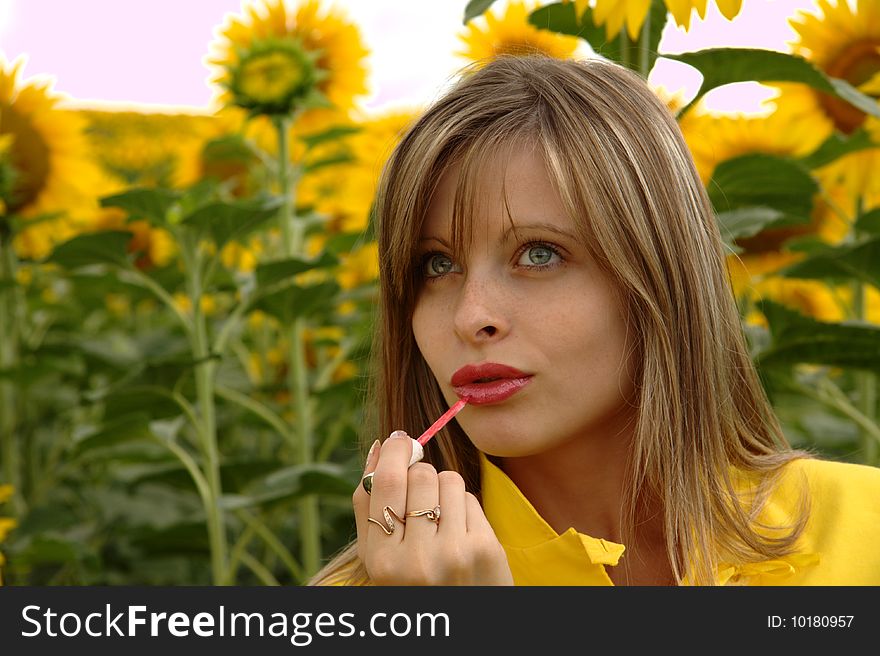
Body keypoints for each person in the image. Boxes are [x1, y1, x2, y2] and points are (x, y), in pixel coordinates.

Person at [308, 55, 880, 586]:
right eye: (437, 265)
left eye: (539, 254)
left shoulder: (864, 533)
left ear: (659, 273)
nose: (470, 316)